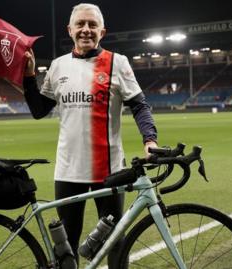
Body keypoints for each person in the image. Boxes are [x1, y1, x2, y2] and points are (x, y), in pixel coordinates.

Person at [22, 3, 158, 267]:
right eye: (81, 24)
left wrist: (149, 140)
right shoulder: (58, 66)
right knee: (66, 245)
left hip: (108, 172)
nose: (86, 30)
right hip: (67, 169)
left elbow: (140, 105)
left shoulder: (117, 63)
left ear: (102, 31)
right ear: (70, 30)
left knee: (115, 241)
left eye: (92, 25)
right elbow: (40, 110)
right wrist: (29, 78)